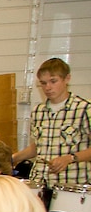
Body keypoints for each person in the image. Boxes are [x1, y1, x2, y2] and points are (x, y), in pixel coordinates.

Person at [11, 58, 91, 188]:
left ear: (67, 79)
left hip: (70, 185)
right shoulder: (38, 111)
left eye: (53, 81)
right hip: (40, 183)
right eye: (43, 83)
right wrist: (13, 157)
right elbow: (39, 146)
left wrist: (70, 158)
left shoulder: (84, 108)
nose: (47, 87)